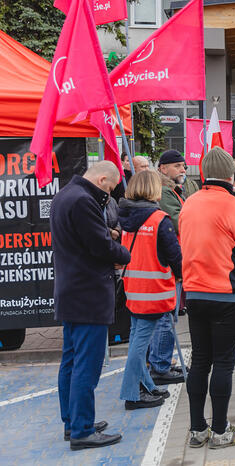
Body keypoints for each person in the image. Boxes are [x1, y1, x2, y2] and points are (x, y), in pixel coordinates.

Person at [179, 147, 235, 448]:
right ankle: (221, 430)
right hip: (226, 294)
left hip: (195, 292)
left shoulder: (189, 204)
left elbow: (183, 246)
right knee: (224, 362)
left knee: (200, 360)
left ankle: (197, 429)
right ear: (230, 174)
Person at [52, 161, 131, 450]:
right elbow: (99, 246)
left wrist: (107, 238)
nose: (108, 196)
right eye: (109, 189)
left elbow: (88, 240)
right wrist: (124, 252)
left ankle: (73, 422)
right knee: (87, 363)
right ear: (101, 179)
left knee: (71, 360)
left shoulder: (65, 195)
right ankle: (82, 429)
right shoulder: (84, 201)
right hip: (88, 294)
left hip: (72, 292)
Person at [117, 170, 183, 411]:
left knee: (137, 340)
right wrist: (184, 273)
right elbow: (175, 256)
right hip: (156, 290)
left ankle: (146, 385)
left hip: (134, 288)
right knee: (138, 346)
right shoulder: (159, 219)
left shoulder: (126, 217)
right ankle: (132, 394)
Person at [152, 149, 189, 386]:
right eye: (177, 166)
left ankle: (160, 362)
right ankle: (160, 366)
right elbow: (178, 221)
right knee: (165, 319)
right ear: (163, 168)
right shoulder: (165, 192)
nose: (183, 170)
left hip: (171, 261)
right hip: (167, 264)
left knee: (167, 318)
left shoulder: (173, 190)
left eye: (184, 166)